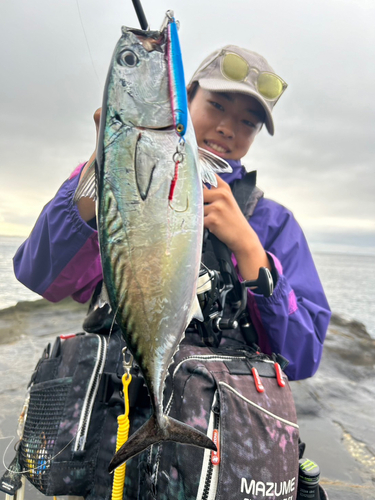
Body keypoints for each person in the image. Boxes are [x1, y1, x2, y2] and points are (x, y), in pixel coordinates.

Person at [13, 45, 330, 498]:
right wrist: (101, 176)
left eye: (248, 122)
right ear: (183, 98)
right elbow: (40, 274)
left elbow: (303, 357)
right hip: (117, 436)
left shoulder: (273, 224)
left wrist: (249, 247)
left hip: (216, 461)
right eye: (217, 105)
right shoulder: (124, 185)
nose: (227, 127)